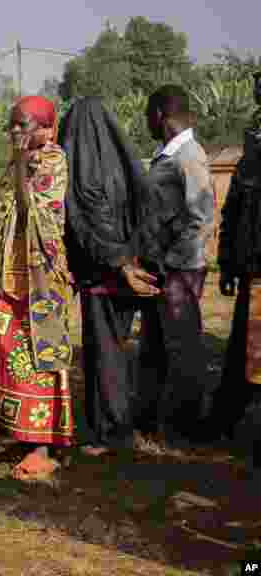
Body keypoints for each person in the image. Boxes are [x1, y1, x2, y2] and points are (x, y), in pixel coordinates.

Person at [0, 97, 74, 479]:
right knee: (9, 355)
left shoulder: (52, 160)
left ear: (46, 129)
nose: (15, 133)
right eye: (12, 126)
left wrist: (22, 161)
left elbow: (28, 209)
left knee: (41, 355)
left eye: (23, 125)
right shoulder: (14, 164)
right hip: (8, 275)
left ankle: (43, 445)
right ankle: (19, 436)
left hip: (40, 280)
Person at [59, 97, 153, 455]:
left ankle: (111, 432)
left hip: (107, 275)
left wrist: (119, 263)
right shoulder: (125, 169)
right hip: (129, 271)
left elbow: (88, 229)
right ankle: (115, 424)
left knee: (105, 354)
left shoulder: (86, 176)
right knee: (116, 349)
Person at [135, 85, 214, 440]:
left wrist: (173, 266)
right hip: (162, 267)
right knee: (153, 344)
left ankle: (187, 425)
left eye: (148, 117)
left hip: (178, 270)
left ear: (159, 116)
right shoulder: (168, 154)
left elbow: (200, 218)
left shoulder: (189, 156)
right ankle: (150, 419)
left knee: (182, 347)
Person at [204, 81, 261, 448]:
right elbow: (233, 211)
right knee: (244, 354)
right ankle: (224, 423)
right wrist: (226, 263)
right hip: (252, 274)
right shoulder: (251, 156)